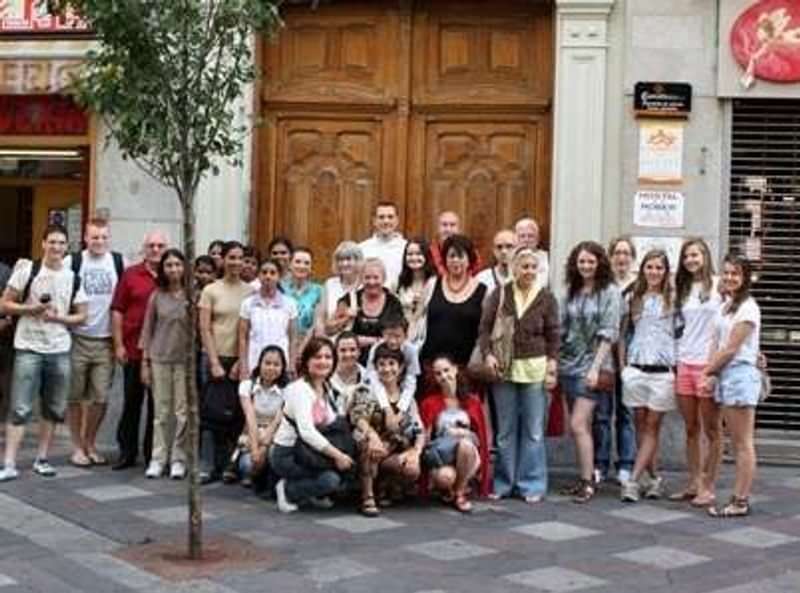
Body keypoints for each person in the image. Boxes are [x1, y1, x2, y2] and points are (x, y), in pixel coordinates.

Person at [0, 224, 88, 481]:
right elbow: (4, 302)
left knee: (53, 407)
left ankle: (42, 458)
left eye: (61, 243)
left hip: (59, 349)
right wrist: (30, 310)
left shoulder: (73, 277)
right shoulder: (28, 270)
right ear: (43, 244)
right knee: (20, 407)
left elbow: (83, 315)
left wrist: (59, 318)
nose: (56, 247)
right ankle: (9, 463)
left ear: (67, 247)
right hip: (28, 346)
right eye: (52, 242)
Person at [479, 246, 559, 503]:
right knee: (505, 431)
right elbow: (484, 329)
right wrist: (488, 354)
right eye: (524, 266)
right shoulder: (500, 294)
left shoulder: (546, 298)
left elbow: (554, 335)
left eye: (533, 267)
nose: (529, 271)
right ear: (514, 268)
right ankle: (503, 483)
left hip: (534, 369)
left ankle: (532, 484)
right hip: (504, 368)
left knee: (534, 430)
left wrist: (552, 366)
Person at [558, 241, 621, 503]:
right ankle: (585, 476)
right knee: (579, 427)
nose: (585, 266)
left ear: (600, 263)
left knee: (578, 424)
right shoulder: (570, 291)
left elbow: (609, 332)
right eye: (581, 261)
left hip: (593, 366)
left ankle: (588, 481)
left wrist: (595, 368)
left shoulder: (609, 291)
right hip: (568, 365)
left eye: (591, 262)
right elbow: (561, 328)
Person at [702, 254, 762, 518]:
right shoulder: (726, 305)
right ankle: (738, 497)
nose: (729, 278)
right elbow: (716, 342)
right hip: (727, 376)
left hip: (739, 376)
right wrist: (712, 372)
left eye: (735, 274)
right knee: (735, 442)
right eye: (726, 273)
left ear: (745, 277)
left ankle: (740, 500)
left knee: (742, 443)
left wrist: (706, 372)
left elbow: (731, 349)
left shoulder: (748, 307)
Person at [64, 218, 126, 467]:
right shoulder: (74, 261)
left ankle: (90, 442)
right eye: (94, 237)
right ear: (85, 239)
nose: (99, 241)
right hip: (77, 338)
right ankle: (77, 447)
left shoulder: (118, 262)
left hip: (105, 342)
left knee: (100, 397)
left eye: (103, 237)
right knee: (75, 397)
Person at [270, 337, 355, 513]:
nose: (323, 361)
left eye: (328, 357)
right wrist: (338, 455)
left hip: (310, 451)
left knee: (343, 473)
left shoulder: (326, 387)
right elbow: (307, 432)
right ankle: (287, 490)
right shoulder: (299, 390)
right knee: (330, 480)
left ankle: (311, 493)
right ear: (307, 361)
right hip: (290, 454)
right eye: (317, 357)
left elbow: (333, 420)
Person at [619, 250, 676, 503]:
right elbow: (621, 334)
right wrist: (623, 367)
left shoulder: (675, 299)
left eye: (659, 268)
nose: (654, 272)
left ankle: (632, 481)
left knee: (652, 426)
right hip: (636, 368)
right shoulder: (633, 297)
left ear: (666, 272)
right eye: (650, 267)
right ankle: (653, 479)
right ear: (642, 269)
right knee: (641, 428)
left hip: (662, 371)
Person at [110, 230, 169, 470]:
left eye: (160, 245)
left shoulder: (173, 274)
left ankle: (152, 455)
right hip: (133, 350)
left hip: (163, 353)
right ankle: (127, 452)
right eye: (151, 245)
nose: (156, 249)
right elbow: (117, 310)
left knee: (158, 406)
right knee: (131, 404)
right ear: (144, 248)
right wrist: (118, 344)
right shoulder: (131, 274)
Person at [671, 238, 723, 507]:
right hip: (684, 363)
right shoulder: (681, 288)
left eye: (696, 254)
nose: (691, 259)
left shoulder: (719, 285)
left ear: (705, 255)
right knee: (691, 428)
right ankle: (693, 482)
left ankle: (708, 485)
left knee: (712, 429)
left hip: (708, 364)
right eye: (687, 256)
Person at [198, 240, 254, 483]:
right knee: (211, 415)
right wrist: (213, 361)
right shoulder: (211, 290)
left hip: (239, 359)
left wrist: (242, 362)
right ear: (224, 260)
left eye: (240, 258)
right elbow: (204, 327)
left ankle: (230, 466)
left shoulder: (251, 291)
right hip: (214, 356)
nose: (236, 262)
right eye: (231, 257)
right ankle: (208, 465)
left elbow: (252, 330)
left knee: (236, 416)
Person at [350, 344, 425, 516]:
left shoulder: (407, 399)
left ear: (400, 368)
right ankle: (367, 496)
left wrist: (415, 451)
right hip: (368, 443)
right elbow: (359, 418)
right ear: (375, 368)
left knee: (412, 469)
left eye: (392, 363)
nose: (387, 369)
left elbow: (419, 430)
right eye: (382, 364)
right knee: (369, 446)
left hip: (393, 448)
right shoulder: (366, 389)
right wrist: (373, 436)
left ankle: (386, 486)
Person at [139, 249, 190, 480]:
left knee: (181, 413)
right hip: (159, 359)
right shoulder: (156, 296)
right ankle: (158, 458)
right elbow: (147, 331)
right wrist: (145, 363)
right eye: (169, 265)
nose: (174, 269)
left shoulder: (192, 295)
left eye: (178, 264)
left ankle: (178, 459)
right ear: (163, 269)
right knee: (161, 412)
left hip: (183, 362)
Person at [592, 236, 638, 485]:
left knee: (626, 412)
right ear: (610, 258)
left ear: (632, 257)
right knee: (601, 413)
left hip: (631, 355)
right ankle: (600, 463)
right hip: (604, 357)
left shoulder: (639, 286)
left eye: (626, 253)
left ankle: (626, 463)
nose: (621, 257)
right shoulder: (602, 287)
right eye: (617, 253)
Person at [419, 356, 489, 512]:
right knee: (445, 478)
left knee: (464, 445)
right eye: (438, 373)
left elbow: (482, 438)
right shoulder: (429, 403)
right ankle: (450, 488)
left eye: (446, 370)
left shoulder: (472, 401)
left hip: (468, 454)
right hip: (443, 456)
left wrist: (463, 433)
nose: (443, 376)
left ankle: (459, 492)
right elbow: (426, 440)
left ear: (455, 369)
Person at [419, 235, 487, 385]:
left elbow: (485, 330)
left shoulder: (483, 291)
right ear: (444, 260)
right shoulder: (432, 285)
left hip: (465, 370)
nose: (455, 261)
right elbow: (417, 319)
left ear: (470, 259)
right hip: (431, 367)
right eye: (451, 256)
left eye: (460, 256)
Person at [234, 345, 288, 490]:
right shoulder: (247, 386)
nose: (271, 368)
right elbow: (250, 418)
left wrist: (264, 446)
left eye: (276, 364)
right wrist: (255, 450)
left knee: (271, 455)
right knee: (248, 465)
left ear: (283, 367)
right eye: (267, 363)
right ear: (260, 364)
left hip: (275, 436)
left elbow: (277, 422)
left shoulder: (288, 390)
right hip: (252, 435)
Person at [334, 258, 403, 366]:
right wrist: (345, 317)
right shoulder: (349, 299)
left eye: (376, 277)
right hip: (352, 361)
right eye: (367, 277)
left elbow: (398, 336)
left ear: (384, 279)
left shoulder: (393, 302)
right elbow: (329, 329)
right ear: (361, 279)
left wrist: (367, 340)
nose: (371, 282)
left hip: (384, 364)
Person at [238, 258, 298, 379]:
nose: (268, 276)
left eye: (272, 273)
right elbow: (242, 337)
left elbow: (293, 337)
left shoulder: (290, 304)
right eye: (264, 272)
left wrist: (291, 363)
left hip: (281, 362)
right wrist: (243, 365)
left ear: (279, 276)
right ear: (258, 276)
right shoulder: (248, 303)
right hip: (254, 361)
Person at [365, 316, 421, 415]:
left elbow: (411, 381)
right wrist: (386, 406)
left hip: (401, 390)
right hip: (378, 390)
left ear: (406, 336)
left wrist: (401, 410)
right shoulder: (376, 348)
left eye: (397, 336)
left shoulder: (411, 351)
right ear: (382, 334)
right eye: (388, 335)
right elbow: (372, 377)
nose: (392, 341)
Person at [316, 241, 362, 338]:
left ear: (358, 261)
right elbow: (320, 317)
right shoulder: (330, 284)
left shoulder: (364, 285)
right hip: (331, 339)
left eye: (349, 259)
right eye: (340, 260)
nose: (344, 264)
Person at [395, 238, 436, 345]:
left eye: (418, 254)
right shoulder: (398, 283)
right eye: (410, 254)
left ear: (427, 256)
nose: (414, 258)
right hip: (402, 336)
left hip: (427, 336)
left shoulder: (434, 283)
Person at [358, 201, 407, 290]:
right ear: (374, 221)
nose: (386, 221)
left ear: (397, 220)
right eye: (381, 217)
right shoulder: (362, 248)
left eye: (390, 217)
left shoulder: (406, 248)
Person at [280, 247, 322, 348]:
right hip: (283, 341)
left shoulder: (318, 290)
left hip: (308, 344)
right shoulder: (280, 288)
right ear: (290, 264)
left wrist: (302, 347)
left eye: (306, 263)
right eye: (297, 262)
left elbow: (316, 323)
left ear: (311, 267)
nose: (302, 266)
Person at [429, 211, 481, 277]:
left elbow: (476, 271)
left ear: (459, 229)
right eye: (444, 225)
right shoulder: (430, 251)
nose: (448, 229)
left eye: (452, 225)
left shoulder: (470, 250)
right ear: (438, 228)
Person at [329, 331, 367, 415]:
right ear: (336, 353)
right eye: (343, 350)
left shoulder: (367, 377)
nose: (348, 354)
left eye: (352, 350)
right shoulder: (326, 378)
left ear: (359, 352)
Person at [476, 229, 517, 294]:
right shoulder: (482, 279)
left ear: (517, 248)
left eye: (509, 246)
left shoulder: (526, 277)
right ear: (494, 251)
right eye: (499, 247)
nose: (504, 251)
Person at [515, 217, 550, 288]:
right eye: (522, 236)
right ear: (515, 238)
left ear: (538, 238)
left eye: (531, 236)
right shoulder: (511, 257)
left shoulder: (548, 258)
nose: (526, 240)